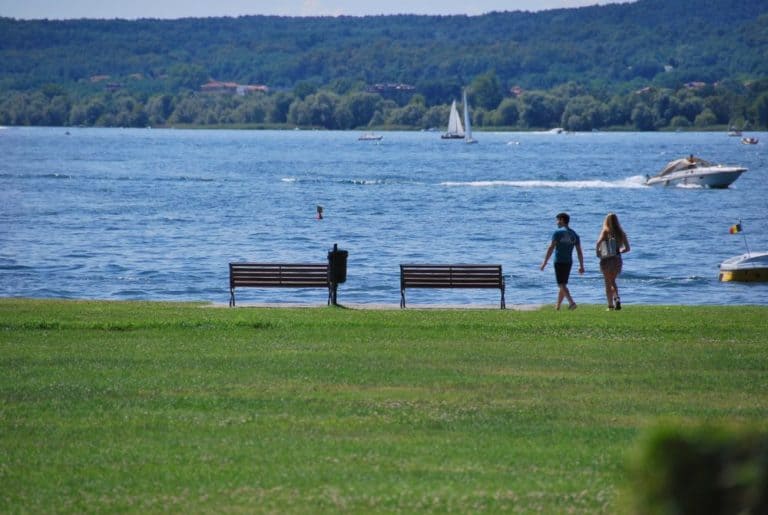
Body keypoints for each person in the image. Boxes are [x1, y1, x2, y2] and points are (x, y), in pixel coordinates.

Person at [540, 212, 585, 310]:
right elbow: (579, 251)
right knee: (563, 284)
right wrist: (581, 265)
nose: (556, 223)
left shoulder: (558, 233)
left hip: (559, 261)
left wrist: (544, 262)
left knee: (561, 284)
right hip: (568, 261)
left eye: (557, 220)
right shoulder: (574, 234)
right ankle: (558, 306)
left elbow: (551, 248)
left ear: (562, 220)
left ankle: (571, 303)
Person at [595, 212, 630, 310]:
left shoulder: (605, 231)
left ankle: (610, 305)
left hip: (606, 259)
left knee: (607, 282)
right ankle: (617, 298)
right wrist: (619, 252)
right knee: (613, 281)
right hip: (617, 259)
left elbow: (598, 243)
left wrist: (598, 252)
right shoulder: (621, 232)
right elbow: (627, 248)